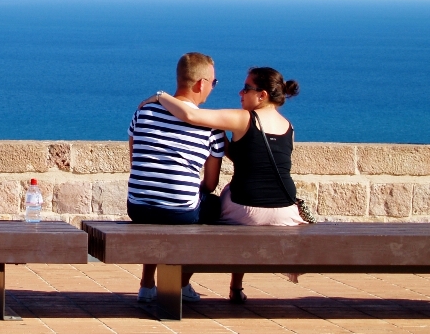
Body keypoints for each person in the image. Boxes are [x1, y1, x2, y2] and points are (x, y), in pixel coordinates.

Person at [151, 66, 303, 303]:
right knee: (238, 201)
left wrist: (161, 96)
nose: (240, 94)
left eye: (246, 89)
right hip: (285, 210)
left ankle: (180, 284)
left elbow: (191, 115)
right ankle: (236, 288)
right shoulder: (288, 127)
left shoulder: (243, 118)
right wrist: (223, 140)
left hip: (247, 207)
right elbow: (256, 158)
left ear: (262, 95)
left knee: (208, 212)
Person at [128, 52, 226, 305]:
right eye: (213, 83)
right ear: (201, 83)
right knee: (214, 206)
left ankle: (146, 285)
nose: (212, 89)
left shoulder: (144, 111)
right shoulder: (211, 127)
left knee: (158, 209)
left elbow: (135, 158)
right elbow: (211, 184)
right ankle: (181, 283)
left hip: (137, 206)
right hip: (180, 211)